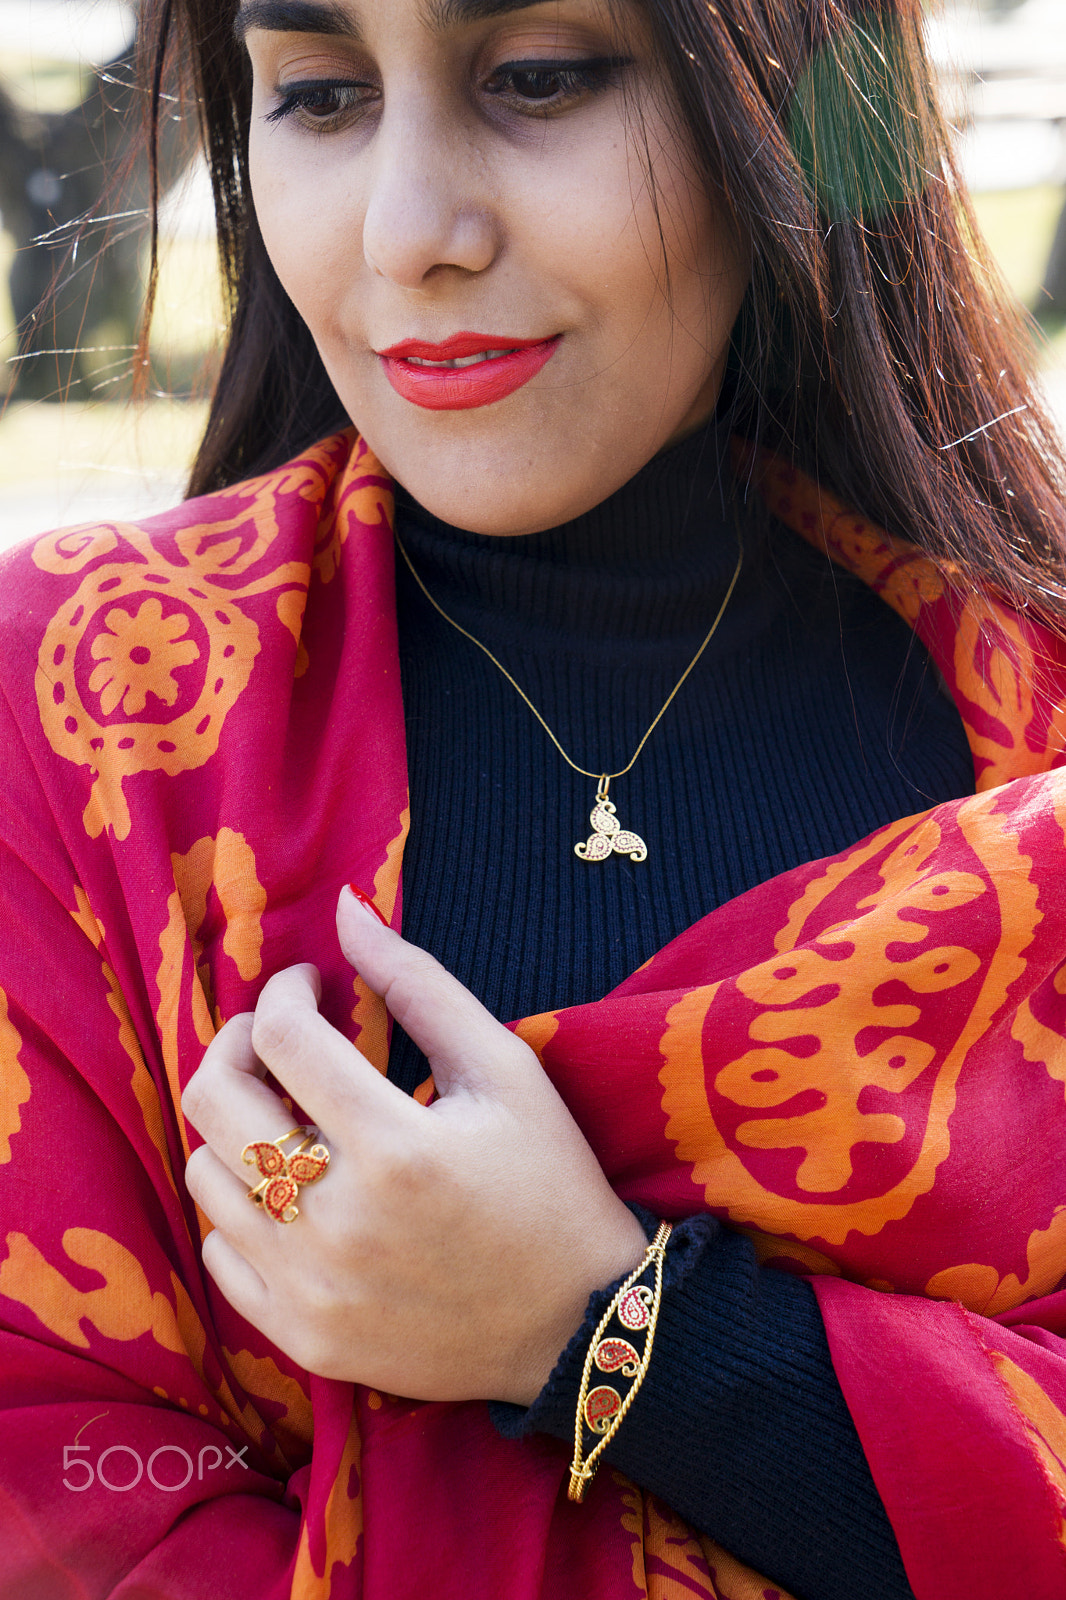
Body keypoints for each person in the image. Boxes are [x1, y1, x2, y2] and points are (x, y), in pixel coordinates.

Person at [1, 1, 1065, 1596]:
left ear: (785, 106)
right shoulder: (78, 718)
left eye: (539, 78)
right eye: (318, 95)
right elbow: (59, 1477)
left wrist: (599, 1325)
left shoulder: (1030, 737)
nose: (408, 231)